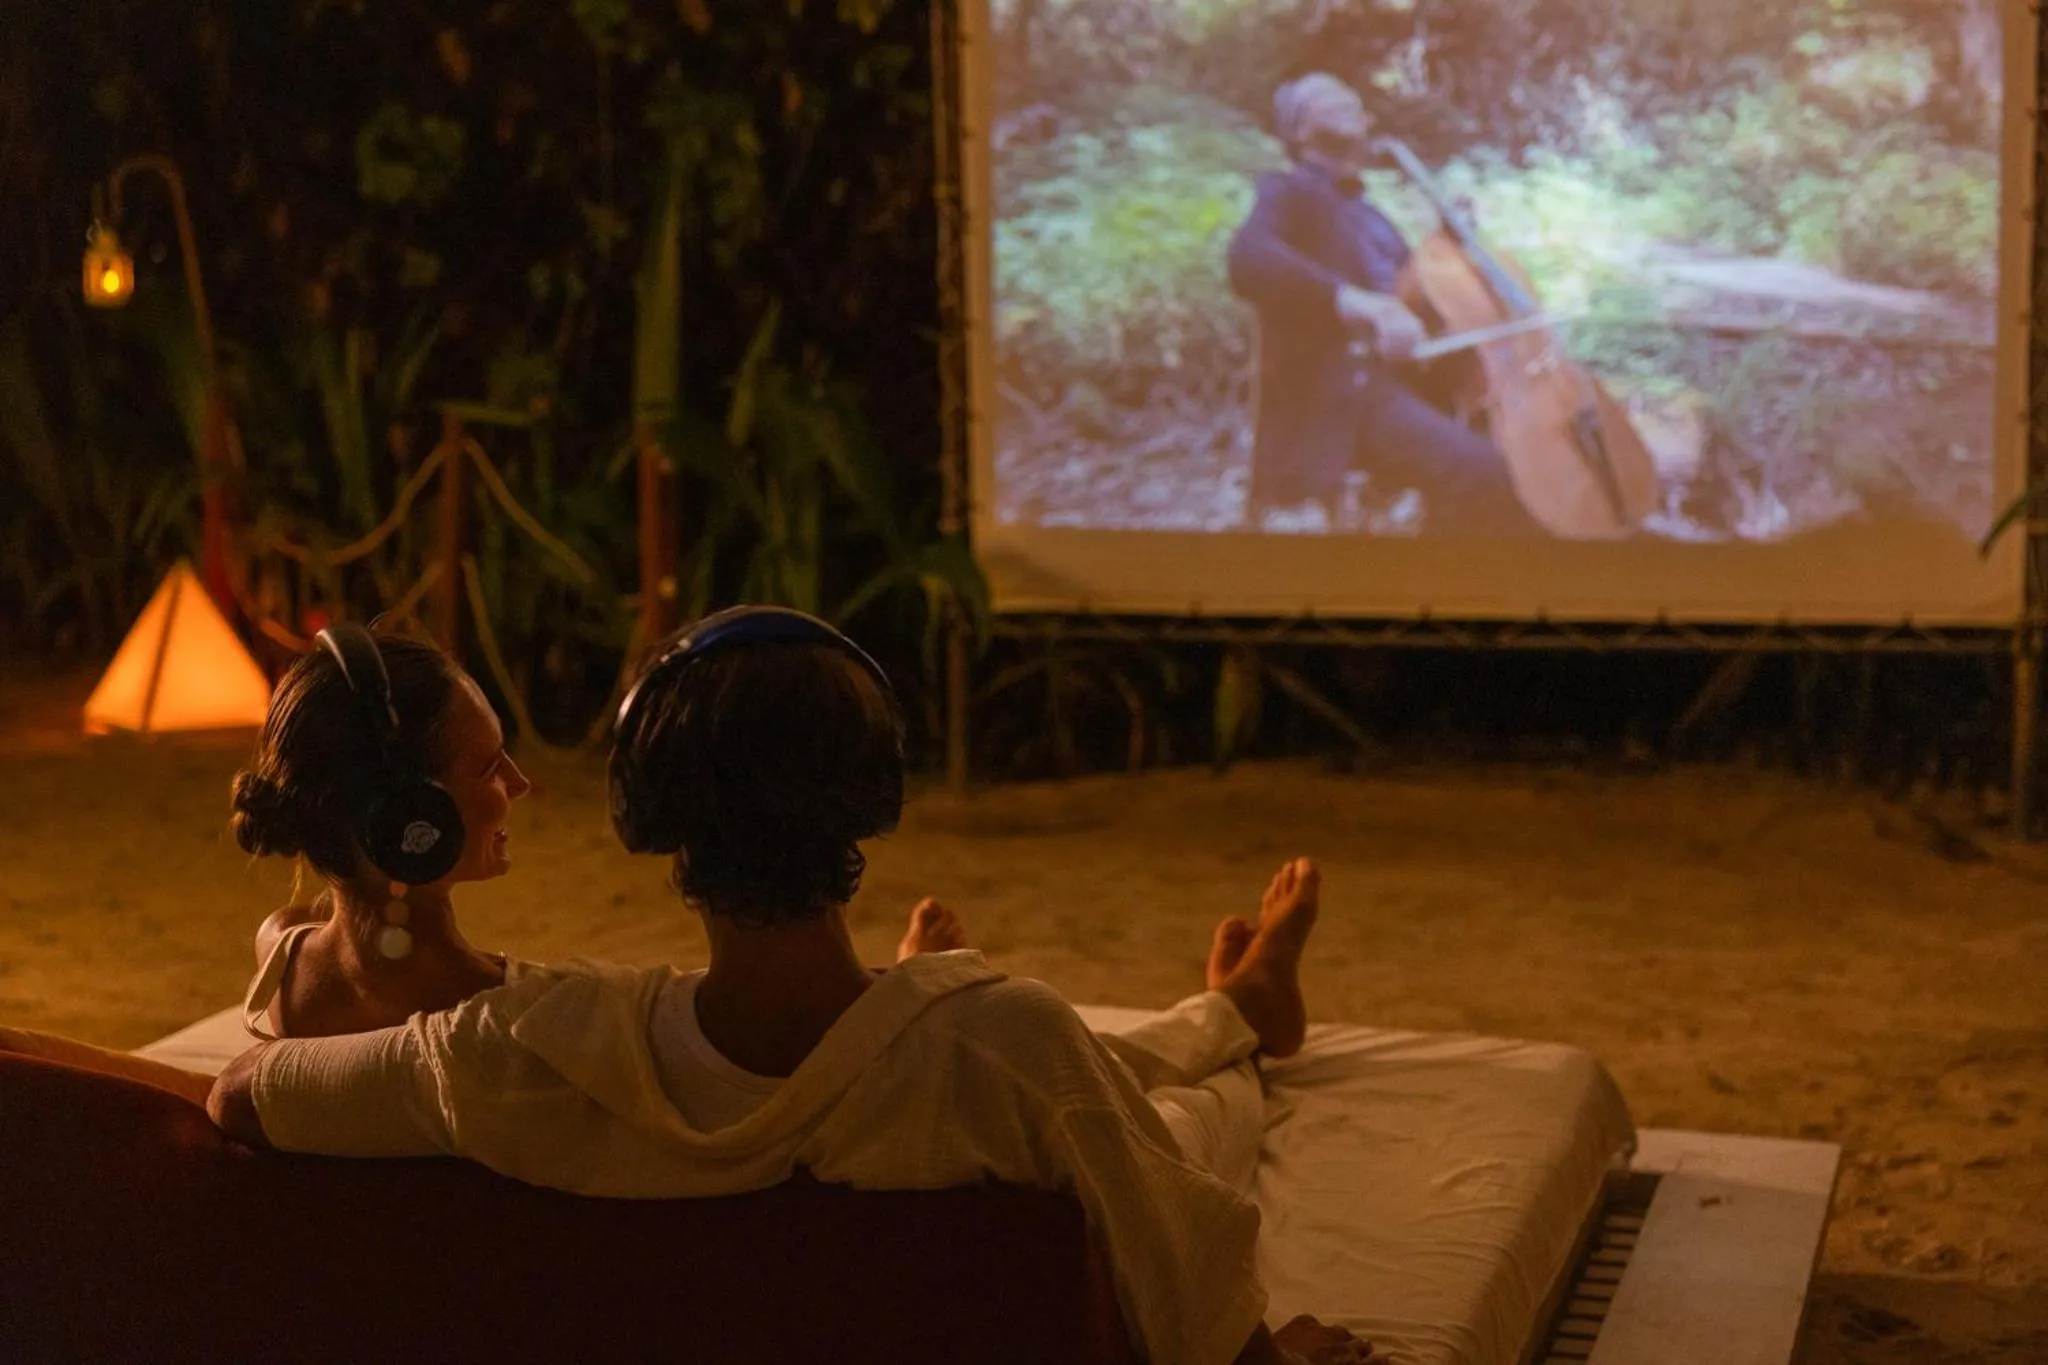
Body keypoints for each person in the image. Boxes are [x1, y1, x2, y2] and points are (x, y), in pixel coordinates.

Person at [205, 606, 1375, 1365]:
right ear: (867, 795)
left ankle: (1234, 1013)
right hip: (967, 1067)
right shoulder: (1007, 1042)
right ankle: (1237, 1022)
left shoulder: (523, 1050)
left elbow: (244, 1095)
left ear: (657, 820)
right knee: (1181, 1118)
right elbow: (1187, 1270)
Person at [1227, 72, 1543, 537]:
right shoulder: (1288, 190)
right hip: (1345, 398)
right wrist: (1357, 303)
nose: (1346, 97)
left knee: (1528, 466)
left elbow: (1413, 301)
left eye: (1349, 94)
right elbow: (1248, 258)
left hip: (1409, 384)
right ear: (1298, 131)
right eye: (1325, 96)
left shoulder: (1371, 217)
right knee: (1487, 477)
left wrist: (1450, 245)